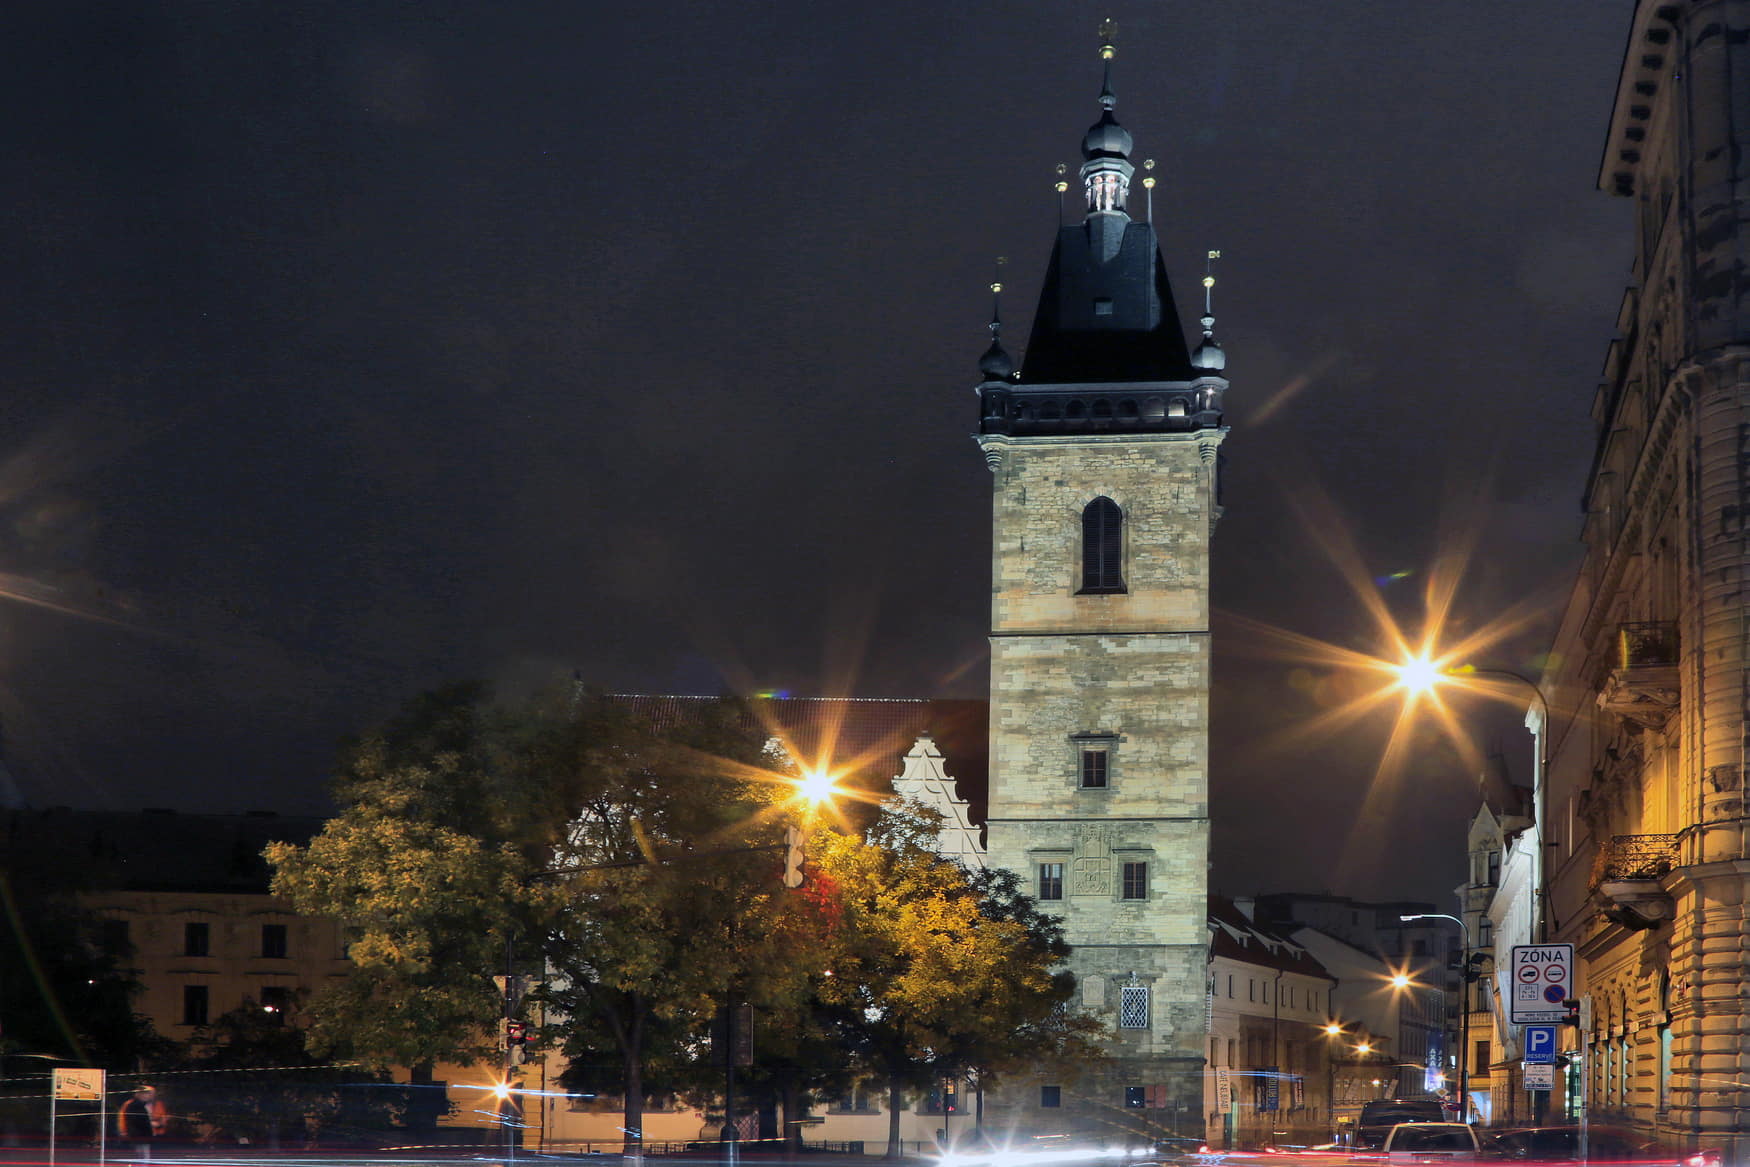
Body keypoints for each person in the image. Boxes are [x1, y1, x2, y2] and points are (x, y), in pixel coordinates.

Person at [117, 1085, 168, 1158]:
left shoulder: (156, 1104)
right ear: (139, 1094)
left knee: (146, 1158)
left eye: (152, 1093)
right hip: (139, 1136)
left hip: (152, 1136)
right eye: (148, 1093)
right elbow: (137, 1121)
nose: (151, 1096)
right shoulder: (134, 1105)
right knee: (142, 1158)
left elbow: (161, 1116)